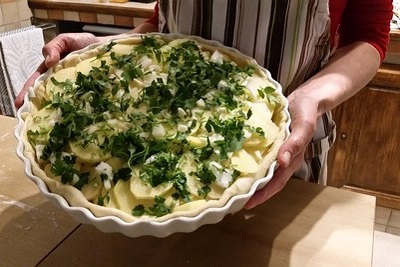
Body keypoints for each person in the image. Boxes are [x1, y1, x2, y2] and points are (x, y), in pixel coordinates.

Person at [15, 0, 392, 209]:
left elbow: (369, 35)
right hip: (148, 149)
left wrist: (310, 98)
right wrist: (110, 51)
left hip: (281, 152)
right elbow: (168, 19)